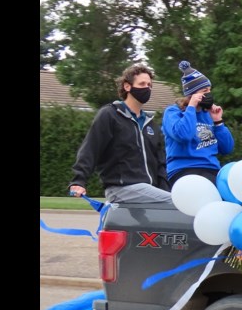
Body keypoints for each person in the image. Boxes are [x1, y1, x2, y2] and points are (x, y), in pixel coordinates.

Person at [68, 63, 172, 204]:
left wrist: (164, 191)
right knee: (177, 204)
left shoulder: (151, 124)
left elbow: (161, 164)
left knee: (176, 203)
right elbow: (91, 149)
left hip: (149, 192)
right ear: (127, 86)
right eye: (142, 84)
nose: (147, 88)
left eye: (149, 85)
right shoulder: (110, 115)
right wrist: (78, 181)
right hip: (122, 189)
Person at [162, 60, 235, 186]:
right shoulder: (173, 112)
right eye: (204, 91)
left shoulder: (207, 114)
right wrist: (191, 108)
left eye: (209, 90)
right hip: (184, 170)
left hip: (211, 169)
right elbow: (183, 135)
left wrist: (218, 122)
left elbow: (227, 148)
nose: (209, 94)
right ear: (192, 94)